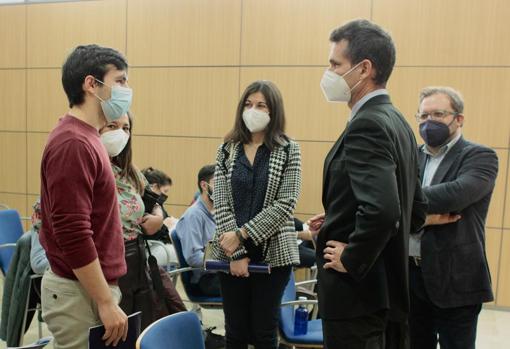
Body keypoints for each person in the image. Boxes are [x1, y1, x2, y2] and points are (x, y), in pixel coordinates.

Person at [309, 19, 427, 348]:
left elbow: (383, 209)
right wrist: (336, 218)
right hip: (387, 293)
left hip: (356, 296)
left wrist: (353, 256)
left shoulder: (368, 125)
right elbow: (415, 212)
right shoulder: (399, 123)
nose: (328, 72)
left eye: (335, 64)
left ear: (363, 69)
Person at [39, 44, 131, 348]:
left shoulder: (88, 136)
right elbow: (73, 232)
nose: (126, 89)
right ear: (91, 84)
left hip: (89, 287)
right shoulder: (73, 143)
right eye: (119, 80)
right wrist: (105, 301)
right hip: (79, 291)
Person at [210, 80, 302, 349]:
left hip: (273, 253)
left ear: (273, 111)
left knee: (263, 333)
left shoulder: (288, 149)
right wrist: (236, 252)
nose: (253, 110)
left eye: (261, 105)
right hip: (229, 253)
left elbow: (285, 203)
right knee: (235, 333)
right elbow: (222, 202)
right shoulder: (227, 149)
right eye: (248, 104)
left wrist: (243, 236)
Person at [409, 87, 498, 349]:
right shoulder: (410, 156)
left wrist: (404, 200)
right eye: (423, 116)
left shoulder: (480, 156)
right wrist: (422, 217)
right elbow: (389, 202)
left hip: (456, 278)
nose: (428, 122)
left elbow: (456, 195)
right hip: (410, 275)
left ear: (458, 119)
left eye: (438, 114)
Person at [99, 113, 164, 330]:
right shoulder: (84, 165)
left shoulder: (128, 169)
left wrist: (158, 217)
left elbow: (154, 201)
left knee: (139, 329)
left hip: (136, 259)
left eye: (126, 128)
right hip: (104, 263)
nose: (120, 133)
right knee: (113, 334)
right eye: (112, 126)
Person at [175, 164, 219, 296]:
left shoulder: (218, 212)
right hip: (206, 279)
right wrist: (224, 260)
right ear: (204, 186)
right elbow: (193, 258)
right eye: (219, 183)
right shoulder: (194, 215)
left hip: (221, 272)